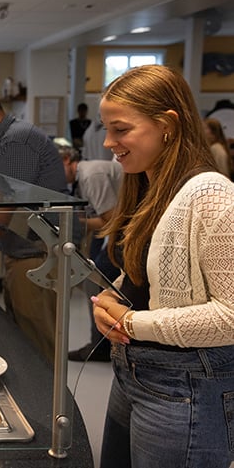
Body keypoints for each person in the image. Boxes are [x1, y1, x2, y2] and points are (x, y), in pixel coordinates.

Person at [90, 65, 234, 468]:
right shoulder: (147, 184)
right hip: (135, 374)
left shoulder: (212, 196)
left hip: (185, 387)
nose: (108, 142)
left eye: (120, 129)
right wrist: (112, 298)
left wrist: (133, 323)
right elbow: (148, 271)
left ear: (167, 123)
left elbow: (231, 315)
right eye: (107, 128)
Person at [0, 86, 68, 363]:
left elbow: (5, 215)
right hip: (23, 255)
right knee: (23, 340)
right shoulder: (7, 141)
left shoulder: (16, 142)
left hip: (36, 258)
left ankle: (47, 406)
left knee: (37, 348)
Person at [57, 145, 122, 362]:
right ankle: (99, 344)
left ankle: (101, 347)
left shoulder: (90, 175)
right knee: (92, 279)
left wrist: (74, 224)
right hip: (112, 232)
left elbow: (111, 220)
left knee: (99, 278)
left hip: (122, 232)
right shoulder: (79, 179)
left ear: (67, 159)